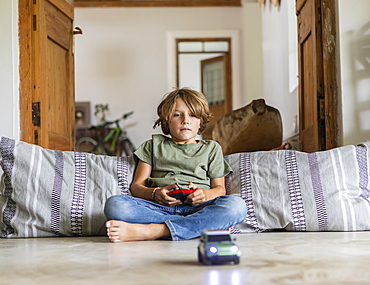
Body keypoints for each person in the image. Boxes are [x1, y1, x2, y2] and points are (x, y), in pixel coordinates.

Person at [104, 88, 247, 242]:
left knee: (237, 207)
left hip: (200, 208)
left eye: (192, 115)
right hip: (159, 208)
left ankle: (154, 231)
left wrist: (205, 194)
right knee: (115, 205)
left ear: (201, 121)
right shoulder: (152, 146)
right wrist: (156, 194)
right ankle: (195, 228)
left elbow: (220, 190)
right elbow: (137, 186)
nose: (185, 120)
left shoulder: (211, 148)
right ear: (167, 120)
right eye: (177, 115)